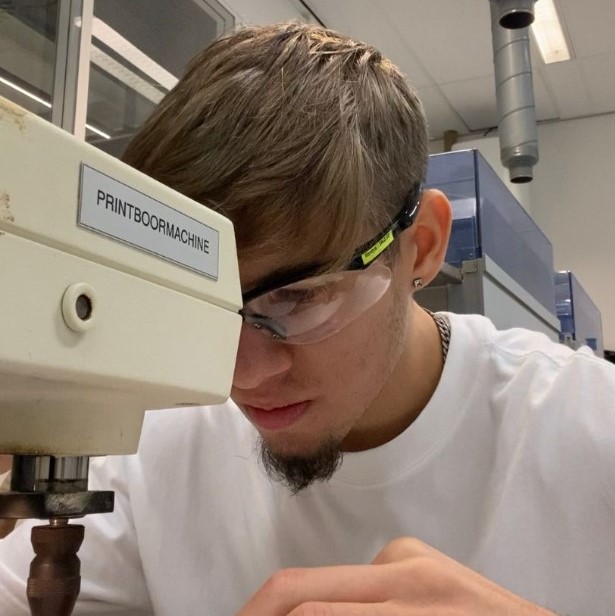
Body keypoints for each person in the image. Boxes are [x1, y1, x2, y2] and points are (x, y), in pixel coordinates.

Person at [2, 22, 615, 616]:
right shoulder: (155, 443)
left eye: (296, 299)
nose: (241, 376)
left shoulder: (589, 431)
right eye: (201, 305)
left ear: (423, 245)